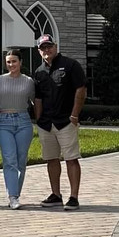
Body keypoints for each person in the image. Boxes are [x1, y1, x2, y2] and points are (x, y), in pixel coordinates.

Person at [33, 33, 87, 211]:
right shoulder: (39, 72)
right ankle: (56, 195)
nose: (46, 50)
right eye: (43, 48)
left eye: (49, 47)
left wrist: (74, 115)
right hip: (46, 123)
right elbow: (38, 98)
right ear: (39, 51)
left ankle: (73, 197)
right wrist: (38, 119)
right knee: (51, 159)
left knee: (71, 158)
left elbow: (81, 90)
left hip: (65, 121)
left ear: (55, 47)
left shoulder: (70, 65)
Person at [0, 48, 38, 210]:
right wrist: (2, 109)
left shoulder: (28, 81)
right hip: (4, 122)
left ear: (20, 62)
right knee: (9, 160)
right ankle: (13, 196)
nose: (11, 64)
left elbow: (36, 102)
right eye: (8, 62)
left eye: (14, 61)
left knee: (21, 160)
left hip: (24, 122)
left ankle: (15, 194)